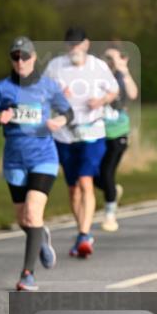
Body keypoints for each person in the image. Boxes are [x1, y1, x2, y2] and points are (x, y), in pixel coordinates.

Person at [0, 38, 72, 290]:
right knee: (23, 219)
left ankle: (27, 274)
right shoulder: (1, 89)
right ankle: (41, 238)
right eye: (15, 57)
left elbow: (67, 112)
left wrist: (60, 121)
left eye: (24, 57)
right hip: (15, 159)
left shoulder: (48, 86)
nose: (20, 62)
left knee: (32, 212)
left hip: (44, 157)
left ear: (34, 57)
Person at [44, 27, 120, 258]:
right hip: (64, 134)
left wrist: (101, 100)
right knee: (73, 188)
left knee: (86, 181)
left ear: (86, 44)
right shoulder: (55, 66)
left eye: (78, 44)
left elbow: (114, 91)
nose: (74, 48)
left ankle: (84, 235)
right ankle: (82, 233)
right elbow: (41, 94)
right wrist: (57, 94)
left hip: (92, 131)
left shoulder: (98, 66)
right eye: (70, 44)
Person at [97, 46, 139, 232]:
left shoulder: (122, 77)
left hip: (118, 132)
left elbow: (132, 94)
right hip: (98, 133)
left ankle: (110, 215)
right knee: (91, 175)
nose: (110, 62)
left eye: (113, 59)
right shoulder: (95, 78)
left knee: (107, 172)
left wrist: (124, 69)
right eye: (107, 58)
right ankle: (112, 189)